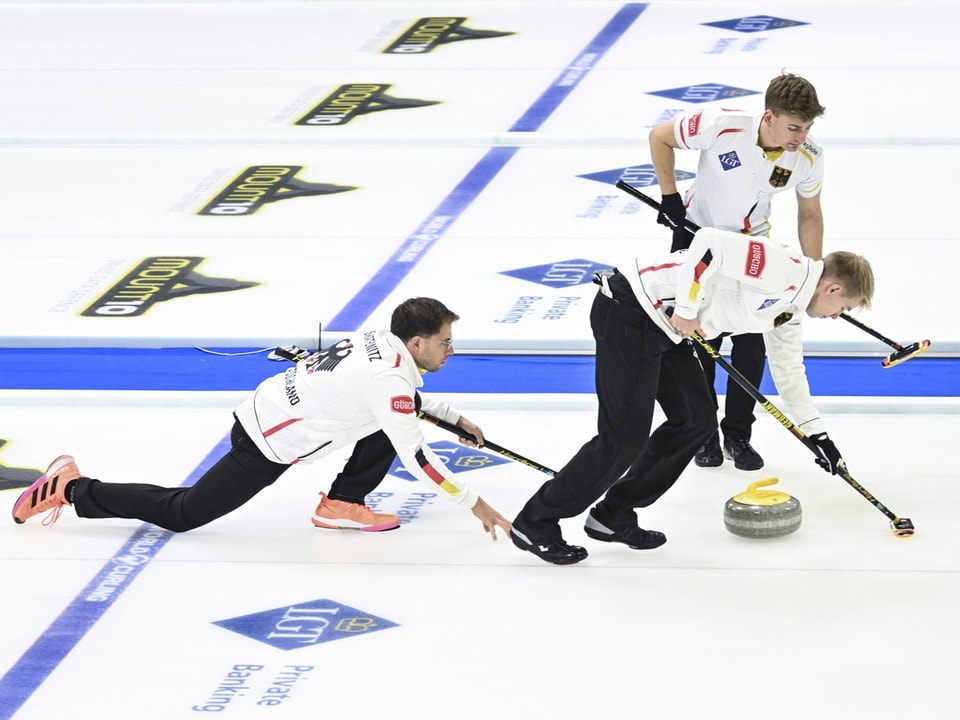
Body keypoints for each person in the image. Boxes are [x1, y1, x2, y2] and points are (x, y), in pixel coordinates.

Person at [509, 226, 873, 564]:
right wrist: (686, 308)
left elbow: (790, 370)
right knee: (623, 438)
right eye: (844, 308)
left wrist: (818, 436)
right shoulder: (782, 267)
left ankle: (613, 514)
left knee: (696, 421)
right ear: (833, 289)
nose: (838, 315)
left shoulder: (792, 310)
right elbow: (709, 243)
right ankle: (536, 521)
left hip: (668, 330)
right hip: (631, 310)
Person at [11, 297, 513, 541]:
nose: (452, 350)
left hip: (276, 406)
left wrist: (453, 417)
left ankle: (341, 502)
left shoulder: (381, 343)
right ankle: (73, 489)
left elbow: (397, 404)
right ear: (417, 343)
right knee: (184, 513)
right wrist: (476, 503)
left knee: (390, 423)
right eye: (445, 342)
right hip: (266, 439)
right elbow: (420, 459)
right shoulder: (390, 382)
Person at [647, 72, 826, 470]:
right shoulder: (722, 124)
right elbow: (659, 136)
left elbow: (809, 214)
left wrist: (812, 277)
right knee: (697, 338)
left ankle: (737, 435)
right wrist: (670, 198)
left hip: (752, 250)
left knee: (752, 342)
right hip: (697, 240)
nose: (801, 136)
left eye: (808, 127)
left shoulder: (809, 156)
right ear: (769, 117)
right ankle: (704, 432)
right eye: (794, 127)